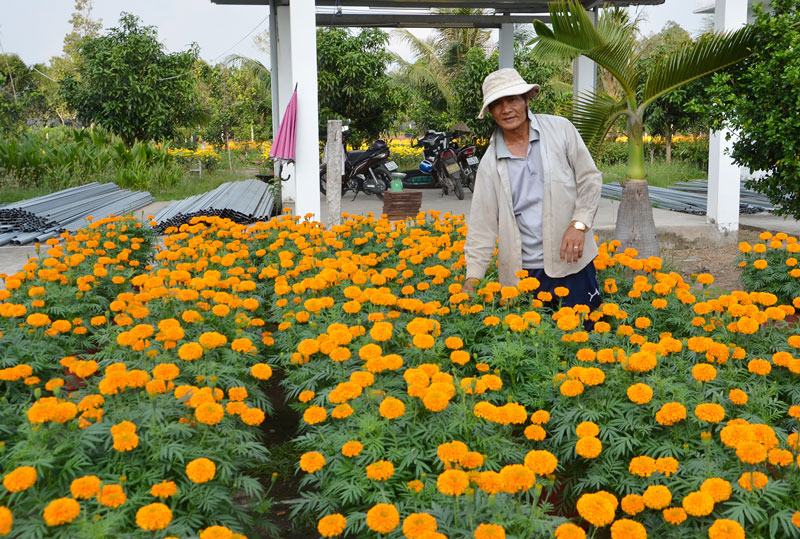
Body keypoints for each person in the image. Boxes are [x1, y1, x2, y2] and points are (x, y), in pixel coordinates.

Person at [463, 68, 602, 310]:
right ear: (491, 112)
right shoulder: (490, 163)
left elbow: (590, 179)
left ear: (527, 99)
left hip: (573, 261)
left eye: (513, 99)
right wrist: (473, 276)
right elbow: (482, 225)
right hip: (525, 273)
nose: (506, 109)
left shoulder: (561, 130)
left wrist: (579, 224)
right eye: (497, 103)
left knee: (586, 335)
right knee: (536, 344)